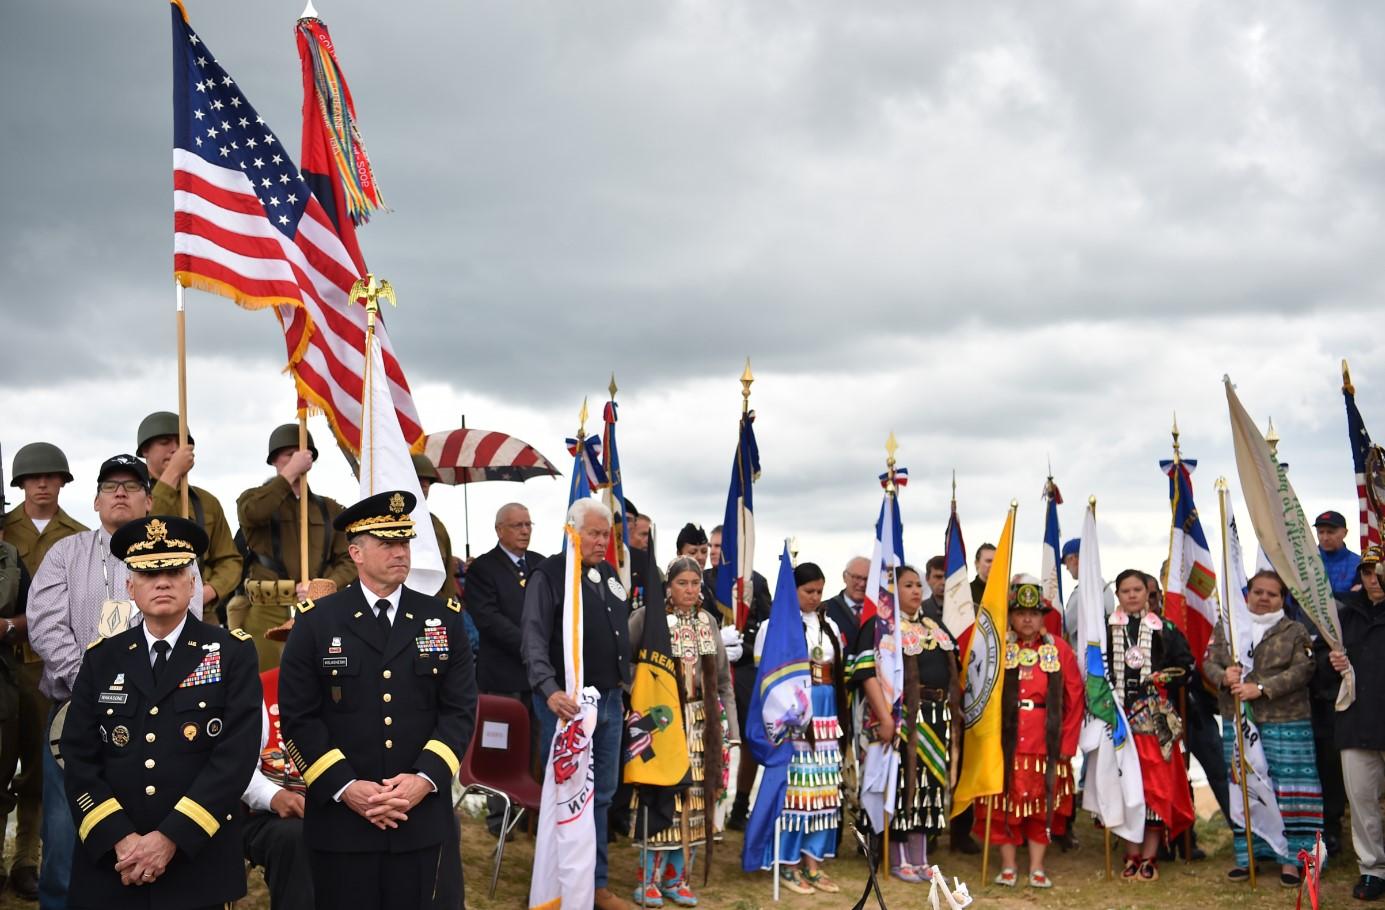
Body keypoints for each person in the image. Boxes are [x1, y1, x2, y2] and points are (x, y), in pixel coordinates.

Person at [278, 489, 477, 910]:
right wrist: (347, 787)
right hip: (342, 819)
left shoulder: (442, 619)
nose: (400, 552)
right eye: (387, 543)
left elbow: (459, 712)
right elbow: (300, 718)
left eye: (403, 541)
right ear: (356, 553)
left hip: (417, 814)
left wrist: (423, 780)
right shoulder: (317, 623)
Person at [28, 455, 206, 909]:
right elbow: (47, 627)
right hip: (74, 716)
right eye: (110, 486)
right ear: (95, 500)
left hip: (160, 718)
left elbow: (192, 623)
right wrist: (96, 688)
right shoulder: (64, 554)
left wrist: (143, 688)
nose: (121, 492)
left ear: (150, 499)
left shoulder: (180, 558)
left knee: (148, 822)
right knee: (68, 829)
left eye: (132, 485)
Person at [60, 515, 261, 910]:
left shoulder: (231, 654)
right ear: (131, 587)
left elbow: (233, 760)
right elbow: (79, 756)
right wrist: (122, 839)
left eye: (173, 571)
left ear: (193, 584)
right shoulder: (102, 659)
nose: (163, 582)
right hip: (114, 862)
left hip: (194, 860)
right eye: (149, 574)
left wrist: (170, 839)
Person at [521, 498, 632, 910]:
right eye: (595, 533)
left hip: (610, 701)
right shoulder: (548, 575)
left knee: (602, 794)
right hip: (565, 706)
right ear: (573, 531)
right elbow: (532, 639)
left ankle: (595, 885)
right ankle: (558, 885)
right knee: (567, 794)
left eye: (607, 534)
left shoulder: (609, 574)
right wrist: (549, 689)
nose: (603, 541)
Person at [627, 556, 740, 908]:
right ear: (668, 588)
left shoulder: (707, 622)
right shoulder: (646, 618)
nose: (690, 590)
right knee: (662, 797)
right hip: (661, 723)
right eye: (682, 583)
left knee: (695, 800)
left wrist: (730, 729)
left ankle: (678, 878)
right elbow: (626, 663)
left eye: (695, 583)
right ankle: (648, 880)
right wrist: (644, 700)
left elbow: (722, 681)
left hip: (702, 724)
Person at [3, 441, 86, 900]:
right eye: (33, 477)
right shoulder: (4, 529)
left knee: (40, 771)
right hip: (3, 665)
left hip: (45, 668)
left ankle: (25, 861)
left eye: (51, 476)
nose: (41, 483)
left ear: (62, 482)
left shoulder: (79, 535)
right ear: (19, 484)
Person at [1203, 569, 1322, 886]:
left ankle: (1292, 861)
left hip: (1286, 721)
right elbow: (1209, 662)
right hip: (1238, 720)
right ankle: (1249, 857)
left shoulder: (1294, 631)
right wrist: (1223, 676)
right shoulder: (1229, 627)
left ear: (1282, 599)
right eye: (1259, 591)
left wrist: (1262, 688)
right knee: (1244, 786)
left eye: (1272, 593)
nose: (1264, 598)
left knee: (1287, 789)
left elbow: (1304, 669)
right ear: (1248, 593)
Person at [852, 564, 961, 882]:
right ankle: (897, 858)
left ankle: (920, 856)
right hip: (902, 717)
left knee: (928, 786)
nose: (916, 590)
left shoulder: (932, 625)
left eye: (918, 585)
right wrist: (885, 718)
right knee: (901, 786)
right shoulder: (881, 627)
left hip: (935, 717)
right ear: (892, 591)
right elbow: (865, 672)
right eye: (908, 585)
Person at [972, 578, 1082, 889]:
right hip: (1002, 740)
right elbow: (978, 693)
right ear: (1011, 615)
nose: (1028, 619)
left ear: (1043, 616)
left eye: (1034, 613)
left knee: (1042, 805)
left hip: (1044, 740)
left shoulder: (1058, 649)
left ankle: (1036, 867)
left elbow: (1075, 698)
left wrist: (1068, 743)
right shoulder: (997, 649)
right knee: (1002, 803)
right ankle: (1008, 866)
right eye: (1021, 613)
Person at [753, 562, 846, 896]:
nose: (815, 597)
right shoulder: (774, 626)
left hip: (825, 712)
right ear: (791, 591)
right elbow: (766, 675)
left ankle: (813, 862)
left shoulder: (829, 626)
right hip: (794, 713)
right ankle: (788, 862)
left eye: (820, 591)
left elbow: (837, 668)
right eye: (809, 591)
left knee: (822, 788)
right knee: (796, 791)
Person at [236, 424, 355, 671]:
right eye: (288, 454)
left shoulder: (330, 509)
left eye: (301, 453)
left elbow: (349, 559)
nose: (297, 459)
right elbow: (253, 514)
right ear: (274, 460)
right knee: (267, 682)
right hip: (268, 608)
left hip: (318, 608)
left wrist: (323, 586)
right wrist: (288, 474)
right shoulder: (254, 499)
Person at [1107, 568, 1195, 882]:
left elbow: (1187, 668)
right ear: (1117, 595)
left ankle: (1150, 857)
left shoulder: (1164, 629)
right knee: (1126, 786)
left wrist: (1162, 677)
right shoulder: (1107, 629)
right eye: (1125, 591)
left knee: (1154, 786)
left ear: (1148, 593)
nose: (1131, 595)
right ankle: (1130, 854)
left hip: (1153, 718)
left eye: (1137, 590)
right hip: (1118, 717)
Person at [464, 502, 545, 839]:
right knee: (498, 747)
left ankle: (532, 817)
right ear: (500, 530)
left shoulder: (542, 565)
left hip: (538, 678)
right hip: (501, 676)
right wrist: (531, 644)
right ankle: (499, 819)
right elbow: (487, 618)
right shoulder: (483, 568)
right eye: (517, 525)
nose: (525, 530)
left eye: (528, 524)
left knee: (537, 746)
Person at [137, 411, 243, 621]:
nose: (175, 448)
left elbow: (229, 560)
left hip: (202, 615)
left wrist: (208, 591)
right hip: (147, 616)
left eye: (182, 442)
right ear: (145, 450)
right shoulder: (133, 496)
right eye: (165, 442)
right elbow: (142, 532)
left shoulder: (207, 502)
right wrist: (171, 475)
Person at [1325, 547, 1385, 901]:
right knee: (1362, 802)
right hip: (1356, 723)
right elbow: (1319, 669)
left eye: (1379, 572)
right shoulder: (1342, 617)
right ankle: (1373, 869)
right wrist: (1331, 663)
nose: (1373, 579)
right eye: (1366, 572)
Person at [708, 524, 771, 834]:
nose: (715, 552)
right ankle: (707, 807)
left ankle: (740, 804)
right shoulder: (703, 579)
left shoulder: (756, 582)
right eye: (712, 546)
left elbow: (765, 629)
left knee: (747, 737)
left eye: (721, 546)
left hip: (745, 670)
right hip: (710, 669)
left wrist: (743, 648)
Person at [241, 665, 314, 910]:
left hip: (347, 804)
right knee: (295, 838)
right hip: (270, 814)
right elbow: (238, 766)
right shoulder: (259, 688)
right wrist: (275, 797)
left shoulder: (359, 685)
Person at [0, 482, 33, 897]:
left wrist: (7, 627)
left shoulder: (10, 558)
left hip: (3, 678)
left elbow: (32, 615)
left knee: (3, 776)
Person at [411, 453, 458, 600]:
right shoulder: (389, 520)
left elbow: (448, 570)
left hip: (436, 605)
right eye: (419, 480)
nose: (425, 485)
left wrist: (448, 607)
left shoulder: (436, 525)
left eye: (428, 481)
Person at [822, 557, 868, 647]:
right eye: (857, 577)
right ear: (844, 577)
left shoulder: (883, 612)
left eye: (867, 578)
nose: (862, 584)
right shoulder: (824, 610)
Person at [1315, 511, 1361, 596]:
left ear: (1345, 533)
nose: (1325, 538)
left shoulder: (1359, 564)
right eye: (1321, 532)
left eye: (1330, 532)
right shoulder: (1305, 561)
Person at [919, 556, 946, 623]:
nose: (944, 582)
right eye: (938, 577)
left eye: (948, 577)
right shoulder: (918, 611)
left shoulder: (972, 611)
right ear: (927, 578)